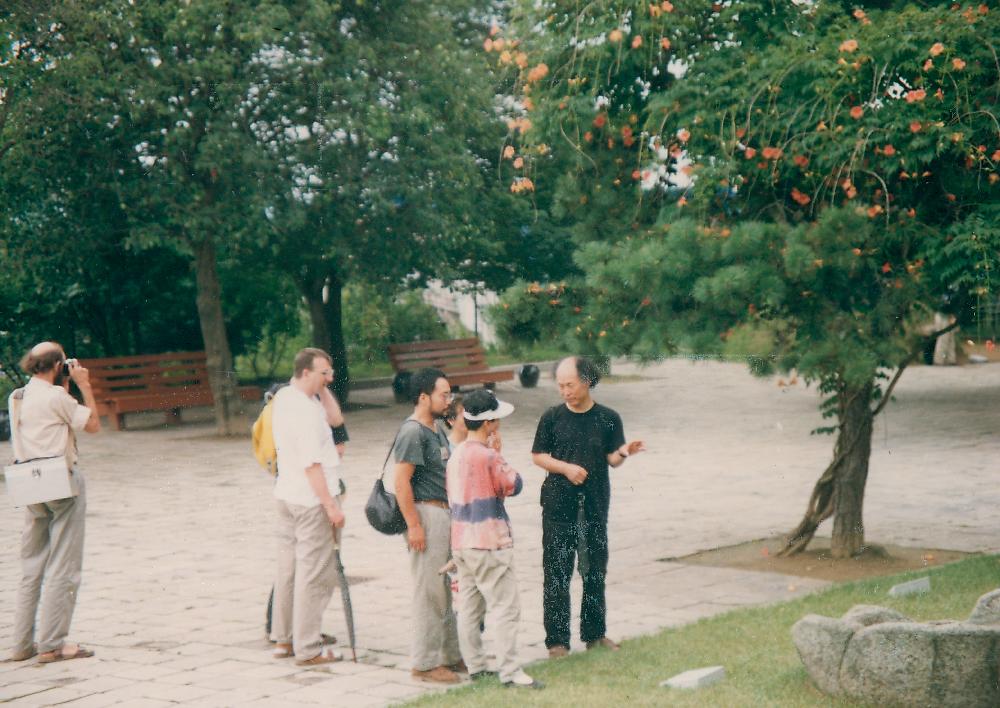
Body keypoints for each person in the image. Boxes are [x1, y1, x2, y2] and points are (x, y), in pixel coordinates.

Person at [531, 356, 645, 657]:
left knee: (594, 570)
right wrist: (566, 468)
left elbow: (612, 459)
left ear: (587, 382)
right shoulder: (552, 417)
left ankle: (595, 634)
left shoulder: (608, 418)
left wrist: (624, 451)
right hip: (558, 505)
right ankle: (557, 641)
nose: (564, 391)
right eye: (560, 385)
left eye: (570, 384)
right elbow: (538, 455)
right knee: (556, 572)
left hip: (594, 504)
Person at [8, 342, 101, 663]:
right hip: (60, 479)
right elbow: (92, 425)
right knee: (64, 563)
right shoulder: (58, 398)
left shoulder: (17, 396)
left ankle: (21, 644)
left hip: (28, 481)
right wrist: (85, 386)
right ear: (58, 366)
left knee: (31, 565)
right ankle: (52, 643)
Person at [446, 389, 542, 689]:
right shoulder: (488, 455)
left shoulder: (456, 453)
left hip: (461, 539)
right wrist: (499, 453)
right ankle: (510, 671)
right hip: (489, 540)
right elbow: (514, 484)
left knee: (470, 608)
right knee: (505, 607)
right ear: (488, 423)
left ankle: (476, 665)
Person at [269, 348, 345, 666]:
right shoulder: (303, 411)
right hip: (311, 500)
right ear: (304, 372)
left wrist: (323, 387)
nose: (329, 378)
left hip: (287, 495)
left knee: (290, 571)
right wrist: (330, 506)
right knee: (313, 574)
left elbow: (337, 419)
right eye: (322, 373)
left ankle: (285, 638)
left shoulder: (288, 396)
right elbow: (312, 464)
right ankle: (308, 647)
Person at [392, 368, 464, 684]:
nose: (448, 400)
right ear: (424, 397)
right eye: (443, 394)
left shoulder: (435, 428)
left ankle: (448, 655)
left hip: (442, 513)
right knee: (428, 590)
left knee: (444, 589)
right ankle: (424, 663)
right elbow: (401, 482)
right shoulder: (412, 432)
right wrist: (414, 525)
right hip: (426, 514)